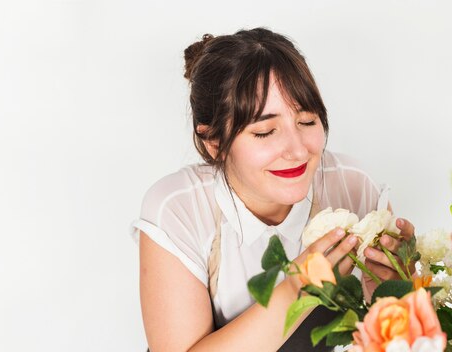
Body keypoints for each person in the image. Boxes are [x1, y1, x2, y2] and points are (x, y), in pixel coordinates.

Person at [130, 27, 415, 352]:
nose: (296, 150)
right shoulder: (180, 207)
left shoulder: (350, 185)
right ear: (214, 143)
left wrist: (392, 289)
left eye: (307, 122)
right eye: (265, 132)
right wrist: (299, 285)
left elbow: (401, 332)